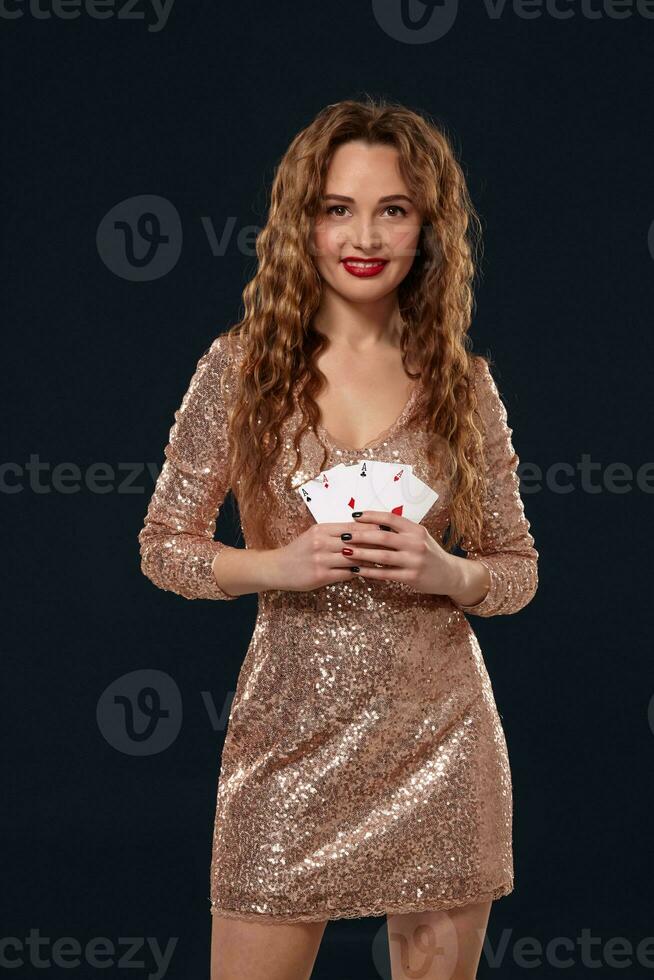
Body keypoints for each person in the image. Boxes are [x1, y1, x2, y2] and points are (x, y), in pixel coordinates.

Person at [138, 96, 539, 980]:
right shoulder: (239, 369)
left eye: (393, 209)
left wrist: (450, 574)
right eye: (338, 208)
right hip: (288, 739)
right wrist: (276, 565)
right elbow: (163, 545)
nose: (366, 235)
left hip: (441, 738)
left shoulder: (462, 385)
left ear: (425, 228)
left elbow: (517, 571)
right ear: (303, 224)